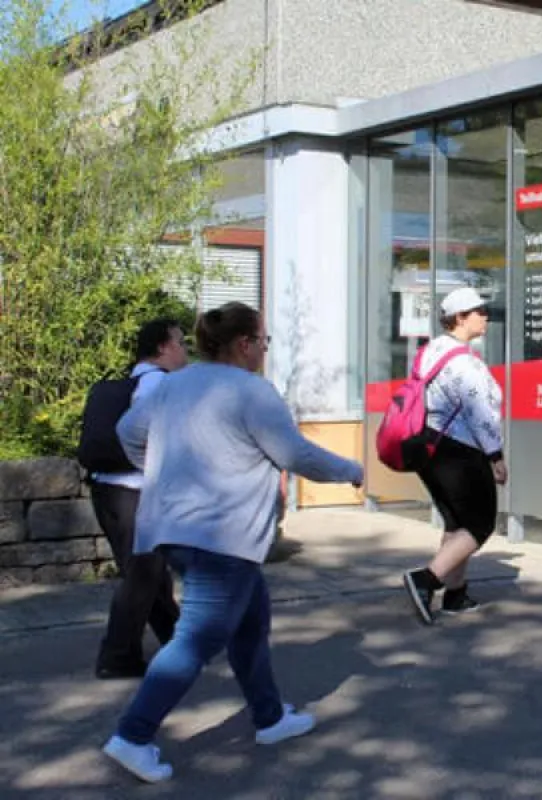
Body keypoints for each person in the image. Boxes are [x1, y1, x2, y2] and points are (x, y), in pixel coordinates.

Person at [101, 302, 364, 783]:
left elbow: (126, 432)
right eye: (263, 340)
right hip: (221, 534)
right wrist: (350, 470)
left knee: (249, 622)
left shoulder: (174, 383)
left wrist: (161, 470)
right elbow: (293, 452)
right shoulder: (253, 391)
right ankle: (133, 735)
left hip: (173, 530)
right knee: (196, 639)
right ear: (244, 344)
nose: (265, 349)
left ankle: (269, 717)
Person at [91, 319, 189, 680]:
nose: (186, 350)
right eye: (181, 342)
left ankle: (179, 640)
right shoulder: (156, 384)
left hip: (108, 490)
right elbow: (139, 432)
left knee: (149, 572)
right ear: (163, 347)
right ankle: (117, 657)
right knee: (142, 574)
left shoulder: (131, 381)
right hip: (134, 492)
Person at [402, 287, 506, 625]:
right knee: (480, 523)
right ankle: (426, 579)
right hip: (459, 449)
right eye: (479, 310)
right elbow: (479, 412)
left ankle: (455, 594)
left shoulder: (433, 350)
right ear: (460, 318)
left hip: (429, 445)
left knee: (456, 521)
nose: (485, 315)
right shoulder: (462, 361)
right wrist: (496, 455)